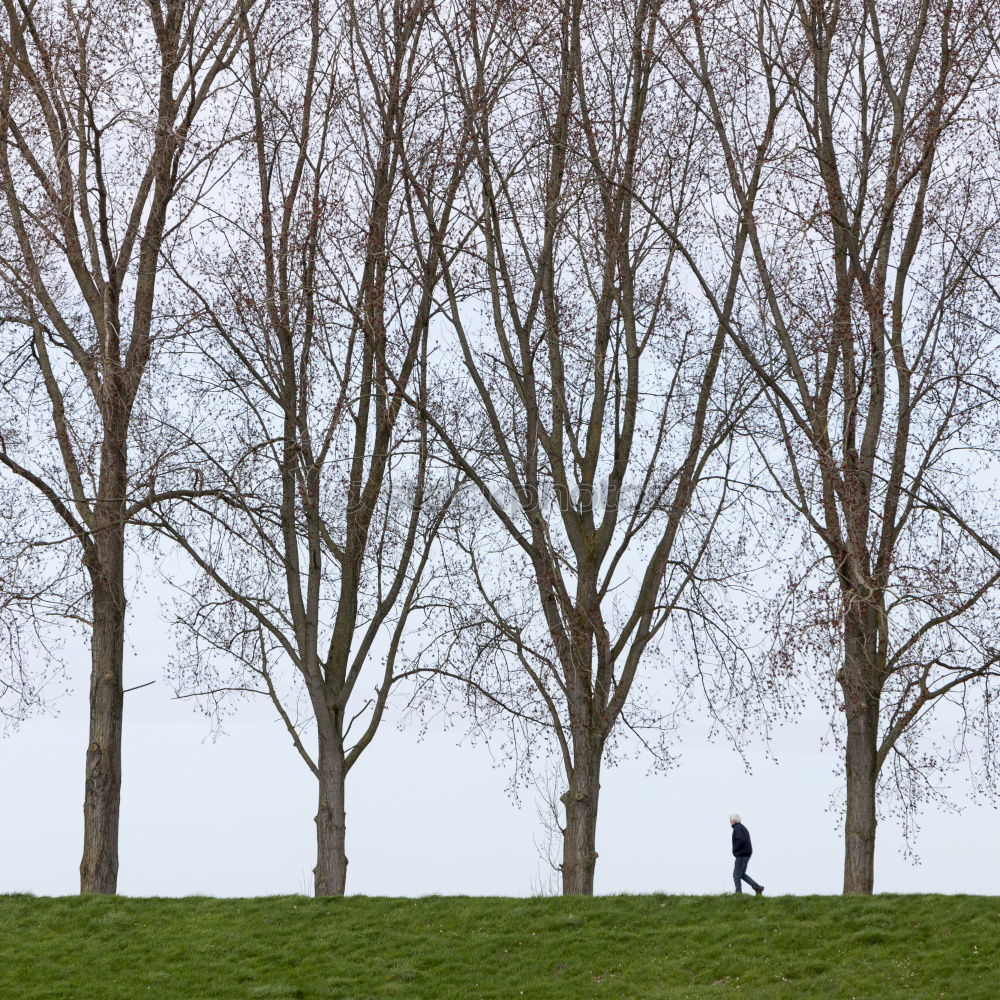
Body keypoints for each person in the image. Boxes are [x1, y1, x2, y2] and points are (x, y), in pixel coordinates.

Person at [730, 813, 764, 895]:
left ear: (733, 820)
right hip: (745, 854)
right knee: (741, 874)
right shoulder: (741, 828)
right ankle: (757, 887)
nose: (729, 821)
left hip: (741, 855)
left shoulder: (737, 828)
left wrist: (735, 849)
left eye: (730, 819)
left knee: (736, 875)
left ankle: (738, 893)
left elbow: (741, 840)